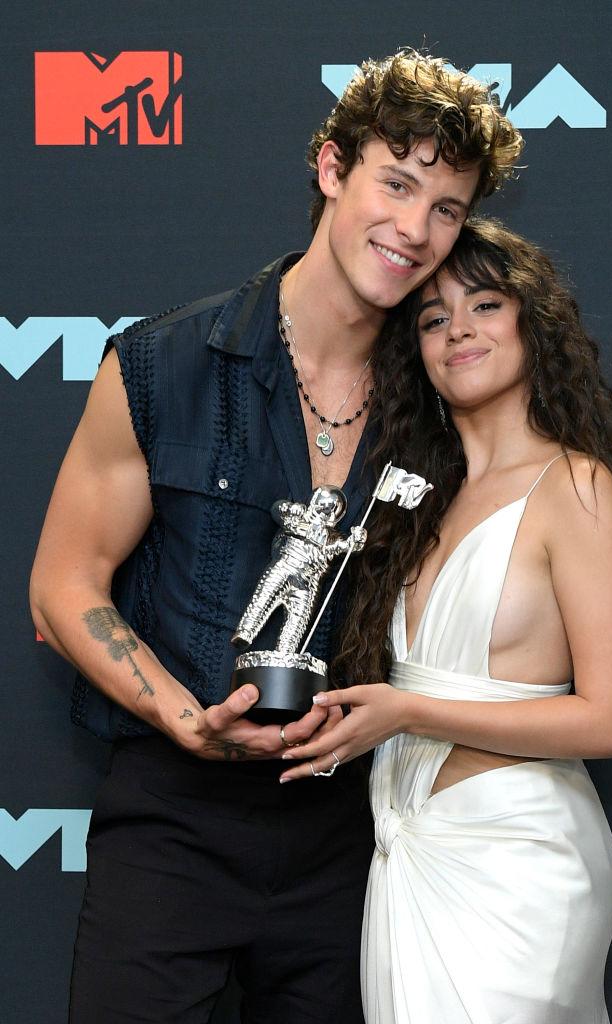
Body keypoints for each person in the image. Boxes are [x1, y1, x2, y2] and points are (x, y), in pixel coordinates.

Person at [29, 52, 526, 1024]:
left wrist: (589, 525)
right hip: (172, 830)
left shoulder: (443, 390)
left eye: (446, 209)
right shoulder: (162, 363)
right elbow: (63, 582)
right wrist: (183, 718)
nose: (414, 230)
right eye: (396, 182)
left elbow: (533, 499)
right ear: (330, 168)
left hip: (354, 836)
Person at [279, 219, 612, 1023]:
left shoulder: (575, 486)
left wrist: (406, 710)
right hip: (404, 852)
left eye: (485, 304)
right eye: (434, 318)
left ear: (531, 323)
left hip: (521, 864)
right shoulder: (412, 503)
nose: (460, 332)